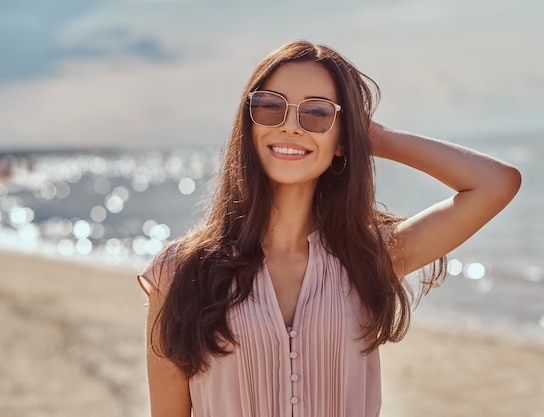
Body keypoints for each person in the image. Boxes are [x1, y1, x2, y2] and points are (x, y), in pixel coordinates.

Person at [137, 40, 521, 417]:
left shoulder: (370, 257)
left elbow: (496, 184)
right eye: (271, 107)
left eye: (317, 114)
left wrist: (373, 137)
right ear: (248, 126)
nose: (290, 126)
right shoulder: (179, 273)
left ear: (342, 138)